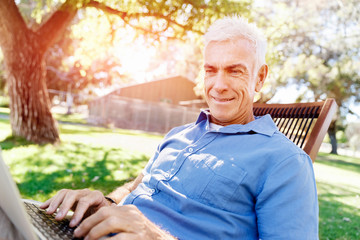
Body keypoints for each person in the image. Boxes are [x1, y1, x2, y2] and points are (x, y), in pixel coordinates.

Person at [1, 15, 319, 240]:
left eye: (235, 71)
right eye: (211, 70)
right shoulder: (179, 135)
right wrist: (107, 202)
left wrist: (156, 237)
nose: (219, 85)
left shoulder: (285, 162)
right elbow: (139, 182)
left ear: (259, 77)